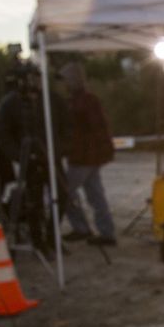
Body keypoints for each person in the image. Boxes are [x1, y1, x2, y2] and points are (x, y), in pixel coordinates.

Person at [59, 63, 117, 246]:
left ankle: (83, 228)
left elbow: (92, 129)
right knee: (95, 194)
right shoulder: (86, 100)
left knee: (65, 192)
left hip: (83, 156)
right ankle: (106, 232)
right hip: (88, 156)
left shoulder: (83, 102)